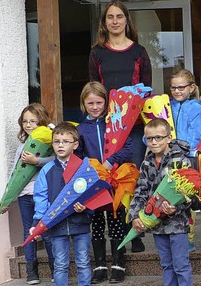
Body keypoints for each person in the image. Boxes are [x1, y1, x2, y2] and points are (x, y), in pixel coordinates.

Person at [88, 0, 152, 252]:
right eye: (110, 17)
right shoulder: (97, 53)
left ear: (127, 20)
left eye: (119, 16)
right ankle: (118, 236)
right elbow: (94, 88)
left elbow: (147, 89)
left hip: (134, 126)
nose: (114, 21)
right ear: (104, 22)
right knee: (110, 176)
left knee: (131, 176)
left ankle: (134, 231)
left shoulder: (139, 52)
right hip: (106, 126)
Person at [75, 82, 133, 283]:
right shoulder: (80, 129)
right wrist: (91, 170)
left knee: (117, 221)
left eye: (99, 102)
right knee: (97, 223)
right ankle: (99, 264)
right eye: (90, 103)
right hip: (94, 184)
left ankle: (118, 263)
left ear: (106, 102)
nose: (95, 107)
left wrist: (111, 161)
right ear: (83, 104)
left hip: (116, 180)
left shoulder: (115, 123)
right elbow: (78, 156)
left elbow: (128, 147)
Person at [128, 118, 194, 286]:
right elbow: (140, 190)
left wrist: (176, 208)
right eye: (149, 138)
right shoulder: (147, 163)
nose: (154, 142)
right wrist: (135, 215)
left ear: (169, 138)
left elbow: (190, 193)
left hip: (177, 224)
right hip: (157, 225)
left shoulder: (180, 160)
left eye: (158, 137)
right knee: (166, 265)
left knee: (181, 266)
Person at [0, 104, 55, 284]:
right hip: (24, 195)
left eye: (33, 121)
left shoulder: (49, 144)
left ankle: (55, 268)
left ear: (42, 121)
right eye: (25, 121)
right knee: (28, 231)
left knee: (45, 230)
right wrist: (7, 198)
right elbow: (15, 172)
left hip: (42, 194)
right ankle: (32, 271)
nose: (29, 124)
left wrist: (36, 160)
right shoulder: (21, 147)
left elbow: (55, 161)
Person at [30, 123, 91, 286]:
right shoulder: (47, 170)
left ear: (75, 144)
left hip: (81, 223)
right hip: (57, 225)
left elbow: (92, 193)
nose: (61, 145)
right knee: (60, 265)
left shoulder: (83, 167)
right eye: (57, 141)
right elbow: (41, 197)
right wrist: (37, 223)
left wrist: (86, 207)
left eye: (65, 141)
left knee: (83, 262)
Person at [169, 68, 201, 253]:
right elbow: (156, 127)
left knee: (187, 202)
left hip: (187, 160)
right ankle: (174, 237)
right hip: (168, 160)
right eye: (173, 87)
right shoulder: (167, 105)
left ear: (191, 87)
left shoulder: (195, 107)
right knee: (170, 199)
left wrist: (177, 148)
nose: (177, 91)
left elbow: (195, 136)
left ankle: (187, 238)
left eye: (181, 87)